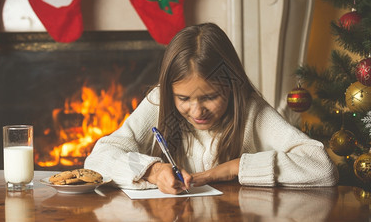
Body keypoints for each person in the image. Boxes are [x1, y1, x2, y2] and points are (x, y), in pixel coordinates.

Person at [84, 23, 338, 194]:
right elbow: (98, 158)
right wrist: (153, 170)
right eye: (183, 99)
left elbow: (322, 168)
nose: (196, 112)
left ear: (231, 86)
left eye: (209, 97)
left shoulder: (251, 110)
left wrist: (232, 168)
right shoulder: (160, 100)